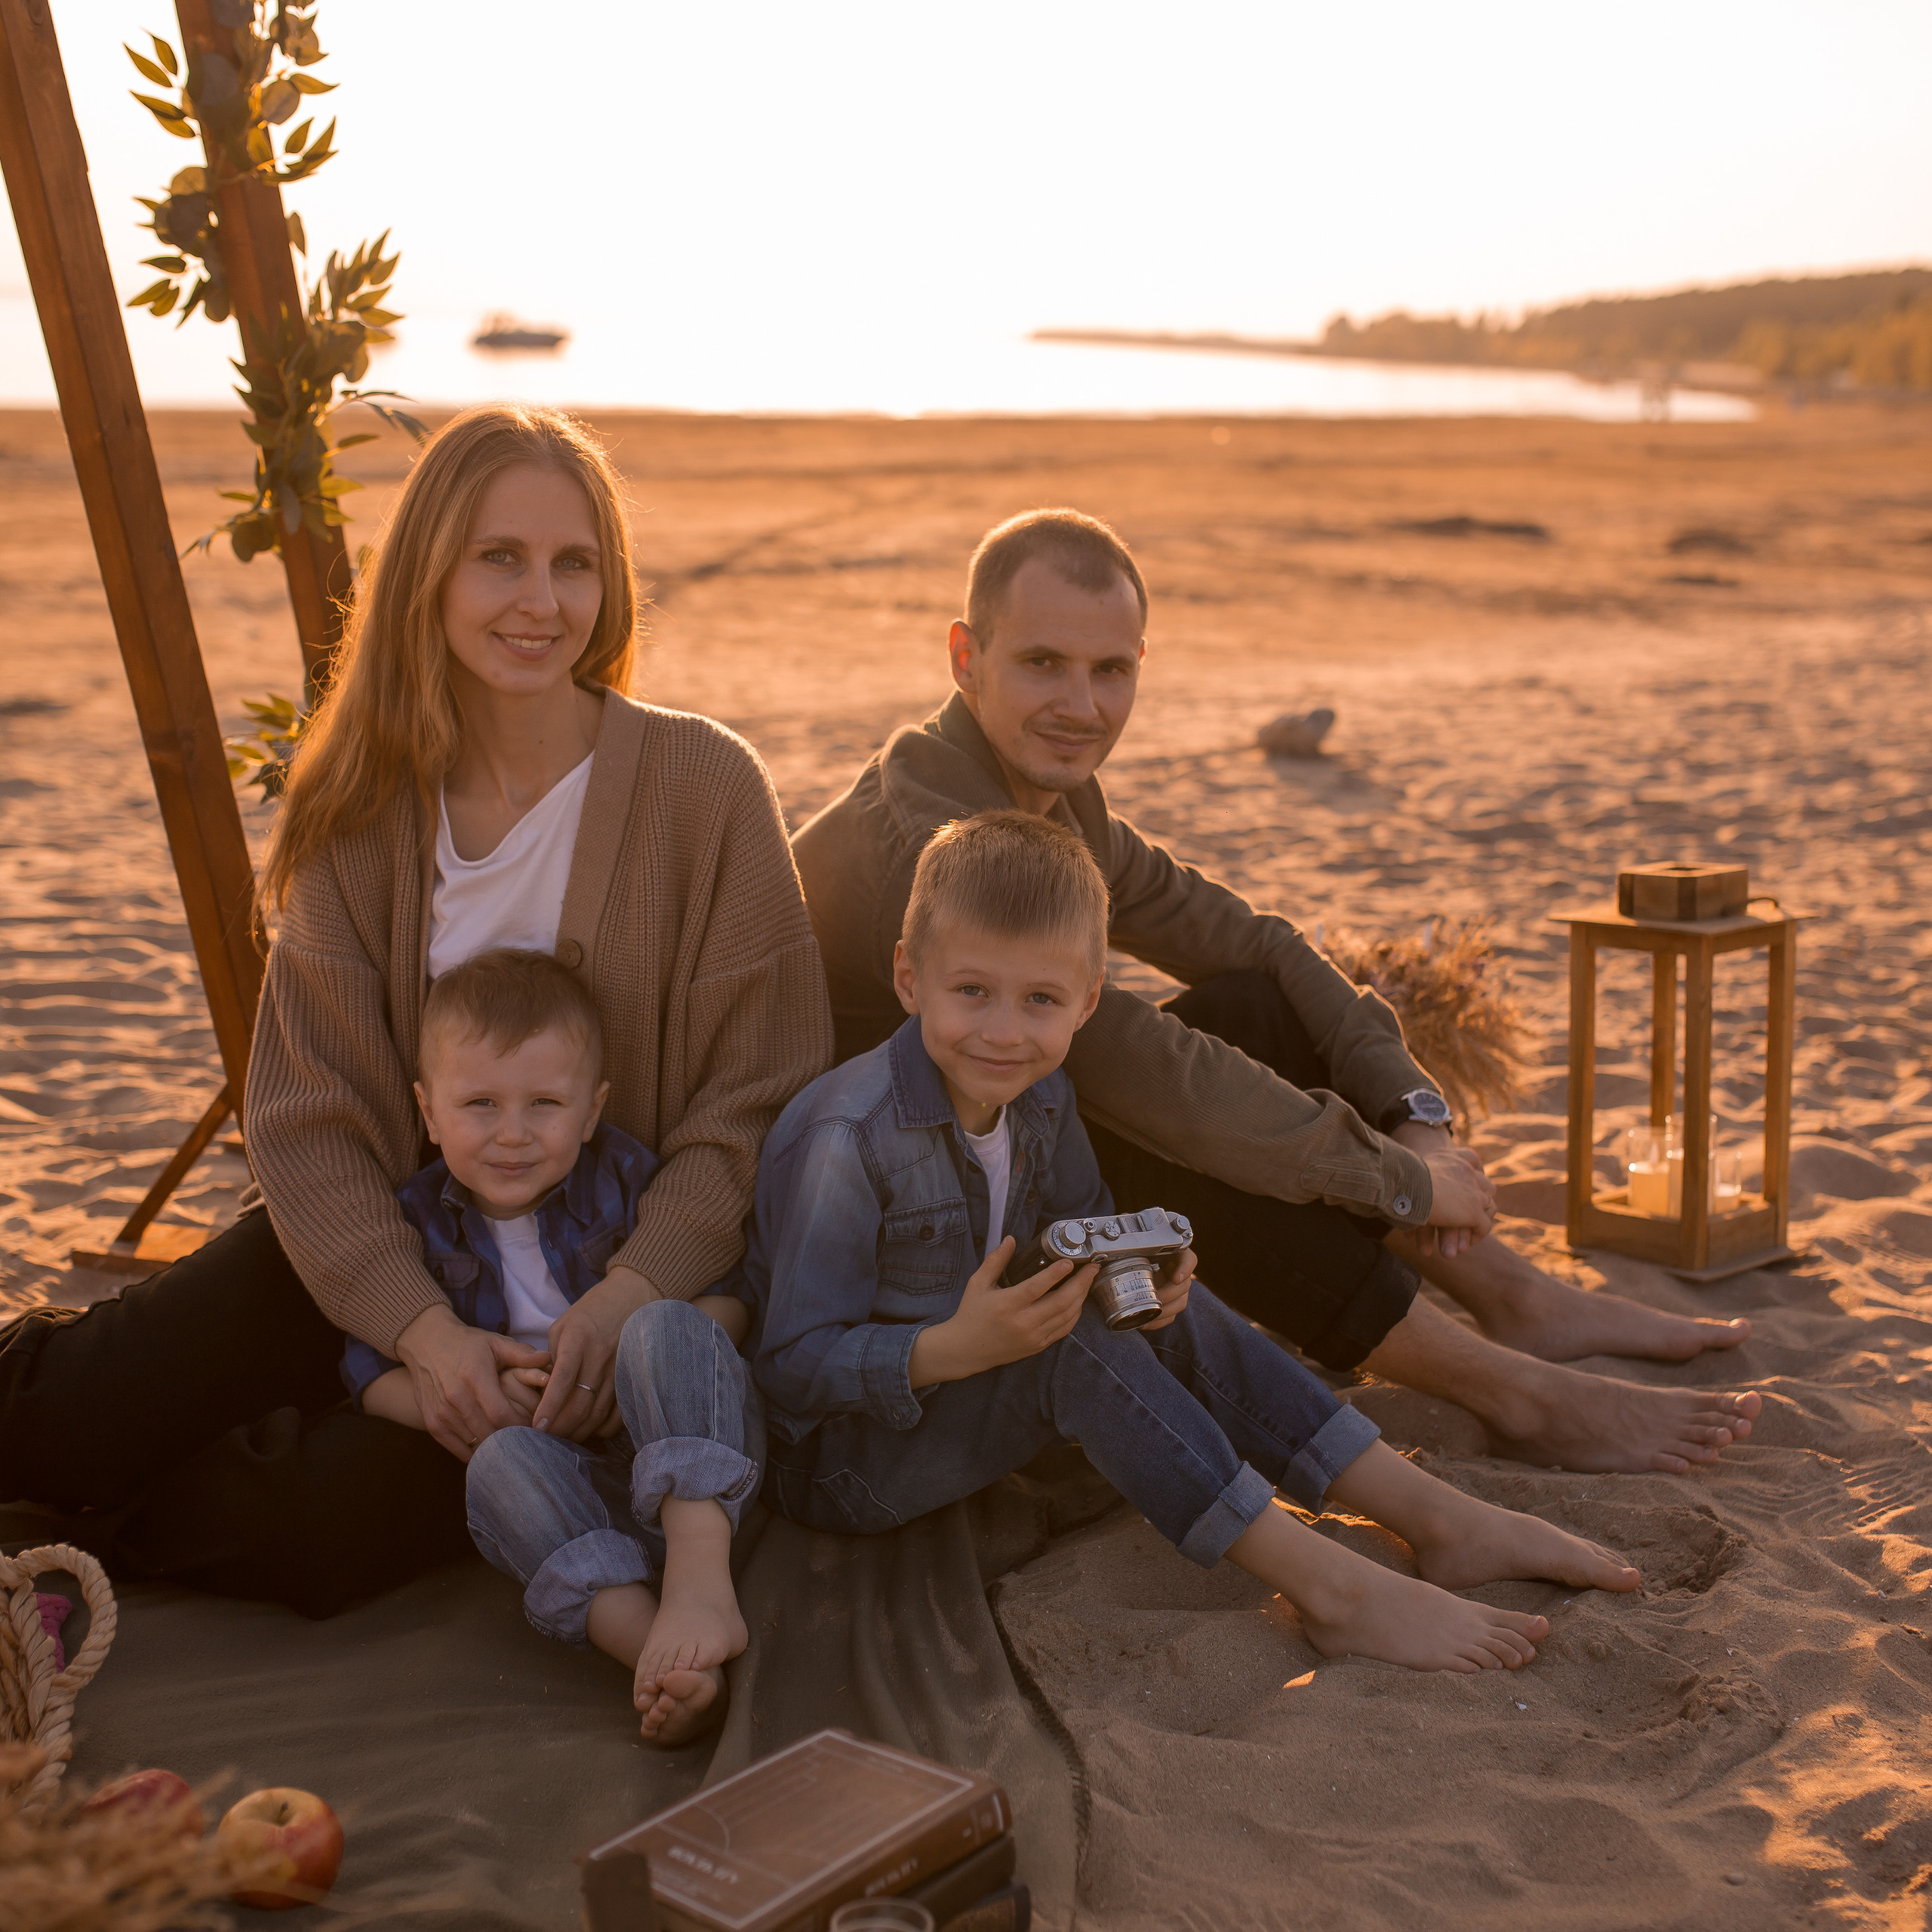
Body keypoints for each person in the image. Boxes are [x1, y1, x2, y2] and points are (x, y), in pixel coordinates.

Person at [0, 403, 832, 1617]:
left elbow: (754, 1098)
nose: (539, 600)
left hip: (590, 1307)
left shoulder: (704, 786)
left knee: (325, 1532)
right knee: (68, 1416)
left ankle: (87, 1535)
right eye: (501, 557)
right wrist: (423, 1333)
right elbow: (309, 1110)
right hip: (364, 1257)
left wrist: (629, 1295)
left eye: (574, 563)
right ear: (429, 574)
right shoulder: (367, 803)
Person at [791, 508, 1763, 1478]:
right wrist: (1392, 1178)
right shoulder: (941, 832)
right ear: (967, 658)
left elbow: (1259, 941)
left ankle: (1510, 1295)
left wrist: (1412, 1113)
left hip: (987, 1143)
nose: (1080, 706)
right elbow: (1138, 1065)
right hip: (878, 1219)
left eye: (1111, 670)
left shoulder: (1054, 796)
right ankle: (1507, 1387)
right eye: (1042, 663)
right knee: (1152, 1134)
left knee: (1251, 1001)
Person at [745, 811, 1640, 1675]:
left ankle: (1435, 1515)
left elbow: (1080, 1236)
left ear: (1088, 1000)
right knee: (1070, 1353)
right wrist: (952, 1347)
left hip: (973, 1380)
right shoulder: (849, 1136)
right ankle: (1332, 1592)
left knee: (1161, 1306)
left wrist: (1147, 1278)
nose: (1004, 1030)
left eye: (1041, 999)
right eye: (971, 991)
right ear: (910, 977)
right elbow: (789, 1370)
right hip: (846, 1457)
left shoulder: (1043, 1098)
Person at [351, 948, 757, 1746]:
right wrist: (484, 1408)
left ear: (593, 1107)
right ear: (428, 1113)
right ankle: (656, 1656)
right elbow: (366, 1374)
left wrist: (639, 1359)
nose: (512, 1134)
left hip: (688, 1456)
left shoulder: (628, 1181)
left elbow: (734, 1302)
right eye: (479, 1104)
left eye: (544, 1103)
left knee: (664, 1322)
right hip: (564, 1475)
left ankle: (700, 1577)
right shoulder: (418, 1223)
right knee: (496, 1467)